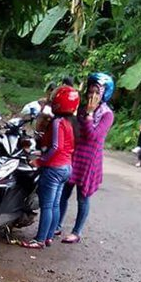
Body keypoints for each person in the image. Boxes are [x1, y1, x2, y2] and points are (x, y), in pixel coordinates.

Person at [56, 72, 115, 244]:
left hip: (89, 160)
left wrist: (89, 115)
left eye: (97, 92)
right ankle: (57, 225)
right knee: (63, 193)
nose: (92, 95)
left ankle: (77, 231)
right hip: (74, 155)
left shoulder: (106, 114)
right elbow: (75, 130)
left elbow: (93, 135)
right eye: (91, 91)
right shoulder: (81, 109)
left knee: (83, 197)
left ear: (104, 93)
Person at [20, 86, 79, 249]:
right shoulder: (71, 122)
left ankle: (39, 239)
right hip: (66, 168)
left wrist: (40, 160)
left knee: (47, 205)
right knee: (54, 205)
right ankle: (49, 236)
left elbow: (55, 147)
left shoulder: (58, 122)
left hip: (54, 168)